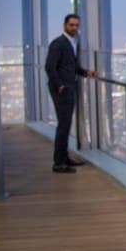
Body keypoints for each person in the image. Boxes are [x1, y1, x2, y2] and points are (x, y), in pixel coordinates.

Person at [44, 13, 96, 173]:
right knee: (63, 125)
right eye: (71, 25)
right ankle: (59, 163)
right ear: (64, 25)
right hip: (62, 89)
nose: (74, 28)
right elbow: (50, 67)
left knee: (65, 126)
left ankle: (64, 158)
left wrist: (86, 72)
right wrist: (59, 85)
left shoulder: (72, 42)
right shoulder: (58, 43)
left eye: (76, 25)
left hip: (67, 87)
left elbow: (71, 66)